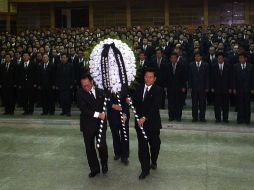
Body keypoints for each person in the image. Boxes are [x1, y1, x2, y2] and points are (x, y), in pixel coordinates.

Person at [132, 68, 163, 180]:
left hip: (153, 124)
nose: (148, 79)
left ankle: (153, 161)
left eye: (150, 77)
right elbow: (134, 101)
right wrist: (130, 101)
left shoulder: (158, 90)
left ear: (154, 79)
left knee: (155, 145)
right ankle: (145, 169)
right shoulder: (139, 88)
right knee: (143, 147)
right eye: (146, 76)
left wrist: (145, 117)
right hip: (140, 125)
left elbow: (155, 106)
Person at [77, 74, 108, 178]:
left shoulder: (100, 92)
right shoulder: (80, 93)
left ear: (92, 82)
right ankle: (94, 169)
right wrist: (98, 114)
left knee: (101, 145)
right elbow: (84, 109)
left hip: (100, 124)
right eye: (83, 86)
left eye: (87, 85)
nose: (86, 87)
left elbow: (106, 104)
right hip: (87, 124)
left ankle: (104, 163)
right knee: (89, 148)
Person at [107, 93, 130, 165]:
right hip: (112, 114)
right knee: (115, 135)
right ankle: (117, 153)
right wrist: (112, 105)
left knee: (125, 135)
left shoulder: (124, 85)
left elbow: (127, 99)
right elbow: (104, 99)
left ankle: (125, 156)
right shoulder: (107, 86)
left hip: (124, 115)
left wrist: (125, 113)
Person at [164, 52, 187, 121]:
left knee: (178, 103)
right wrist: (165, 86)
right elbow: (165, 77)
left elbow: (184, 77)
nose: (173, 59)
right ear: (170, 59)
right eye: (172, 58)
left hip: (179, 87)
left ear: (177, 59)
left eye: (175, 58)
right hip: (170, 87)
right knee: (171, 103)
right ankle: (171, 116)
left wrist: (183, 86)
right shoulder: (167, 66)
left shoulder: (182, 65)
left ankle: (178, 116)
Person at [232, 53, 254, 124]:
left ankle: (247, 119)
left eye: (242, 58)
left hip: (248, 89)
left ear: (245, 59)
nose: (240, 59)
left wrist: (252, 88)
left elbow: (252, 78)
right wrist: (234, 88)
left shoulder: (251, 66)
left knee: (247, 105)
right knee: (240, 104)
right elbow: (234, 78)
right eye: (239, 58)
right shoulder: (235, 66)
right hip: (239, 89)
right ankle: (240, 119)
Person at [211, 52, 232, 123]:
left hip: (226, 89)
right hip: (216, 89)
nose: (219, 59)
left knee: (225, 105)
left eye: (221, 58)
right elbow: (211, 78)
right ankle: (218, 118)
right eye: (218, 58)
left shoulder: (228, 66)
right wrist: (212, 87)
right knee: (217, 105)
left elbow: (230, 78)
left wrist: (230, 88)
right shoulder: (213, 66)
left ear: (223, 59)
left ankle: (225, 118)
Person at [188, 52, 209, 122]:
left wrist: (207, 87)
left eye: (198, 56)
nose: (197, 58)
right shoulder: (191, 65)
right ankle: (195, 117)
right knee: (194, 103)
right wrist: (190, 86)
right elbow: (190, 77)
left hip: (203, 88)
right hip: (194, 87)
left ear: (201, 57)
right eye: (196, 56)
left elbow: (207, 77)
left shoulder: (205, 65)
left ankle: (202, 117)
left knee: (202, 103)